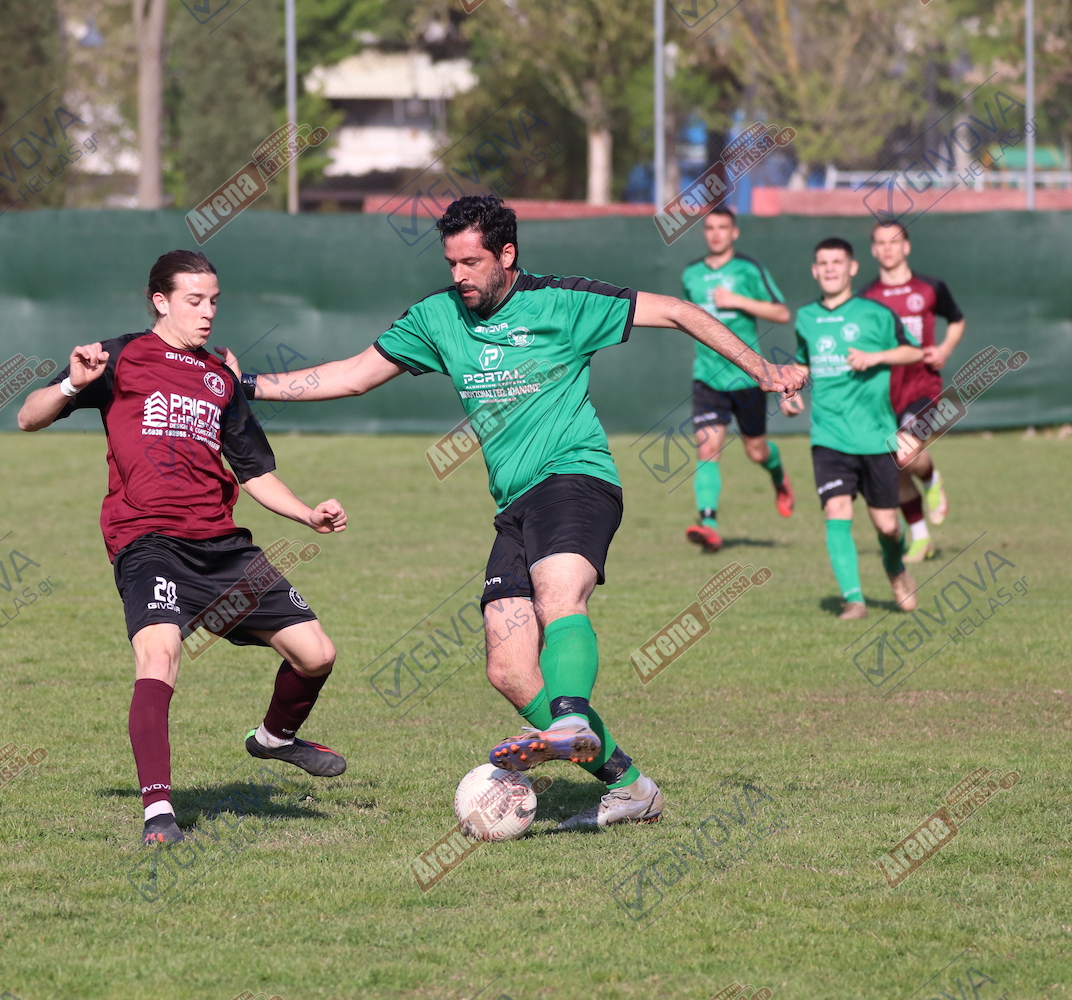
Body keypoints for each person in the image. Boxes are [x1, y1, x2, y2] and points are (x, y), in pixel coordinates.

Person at [226, 196, 805, 830]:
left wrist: (763, 369)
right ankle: (630, 787)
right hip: (514, 504)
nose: (458, 276)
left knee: (560, 595)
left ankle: (571, 718)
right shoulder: (438, 317)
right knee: (507, 669)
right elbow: (354, 375)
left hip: (577, 478)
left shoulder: (562, 302)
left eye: (471, 262)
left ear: (507, 255)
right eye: (450, 263)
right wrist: (247, 384)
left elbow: (677, 309)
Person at [17, 249, 349, 846]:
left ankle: (274, 739)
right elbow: (27, 417)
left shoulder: (221, 378)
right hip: (148, 540)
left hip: (221, 544)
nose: (208, 312)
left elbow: (253, 471)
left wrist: (306, 513)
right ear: (160, 301)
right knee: (160, 655)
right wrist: (70, 384)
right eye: (194, 301)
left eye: (214, 301)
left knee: (317, 654)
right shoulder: (117, 357)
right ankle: (159, 815)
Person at [783, 237, 922, 620]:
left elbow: (913, 351)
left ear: (852, 268)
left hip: (875, 437)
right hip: (828, 436)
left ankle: (895, 568)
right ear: (814, 271)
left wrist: (876, 356)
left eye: (837, 262)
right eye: (823, 263)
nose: (830, 268)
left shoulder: (876, 313)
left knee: (888, 526)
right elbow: (803, 363)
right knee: (836, 510)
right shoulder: (806, 317)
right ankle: (854, 600)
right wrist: (789, 391)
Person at [680, 207, 795, 553]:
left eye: (723, 227)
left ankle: (779, 477)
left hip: (747, 378)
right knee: (707, 447)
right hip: (707, 378)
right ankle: (709, 525)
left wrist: (738, 301)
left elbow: (782, 312)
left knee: (756, 451)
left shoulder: (748, 269)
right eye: (710, 228)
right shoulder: (691, 274)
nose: (716, 233)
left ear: (735, 233)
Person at [861, 219, 965, 563]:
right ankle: (921, 539)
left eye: (894, 241)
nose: (887, 248)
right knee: (895, 466)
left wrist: (945, 348)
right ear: (873, 250)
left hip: (922, 386)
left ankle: (932, 479)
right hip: (882, 393)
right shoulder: (866, 298)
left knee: (904, 454)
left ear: (906, 247)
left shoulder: (930, 288)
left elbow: (957, 319)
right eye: (881, 243)